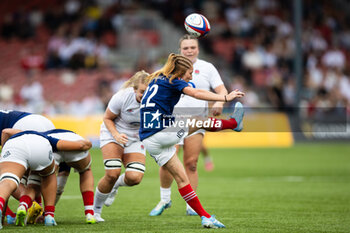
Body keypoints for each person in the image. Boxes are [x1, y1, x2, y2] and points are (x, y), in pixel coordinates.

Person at [139, 53, 245, 228]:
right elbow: (196, 92)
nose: (191, 76)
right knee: (198, 120)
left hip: (149, 139)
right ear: (181, 72)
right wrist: (225, 98)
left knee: (182, 179)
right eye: (189, 72)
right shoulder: (175, 80)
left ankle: (205, 217)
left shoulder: (158, 78)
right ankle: (233, 123)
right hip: (161, 132)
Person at [150, 34, 228, 216]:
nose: (189, 51)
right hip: (172, 120)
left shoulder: (207, 68)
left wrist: (219, 102)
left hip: (195, 121)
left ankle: (190, 205)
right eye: (186, 48)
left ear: (198, 49)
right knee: (169, 159)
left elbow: (221, 89)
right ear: (180, 50)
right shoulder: (171, 69)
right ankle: (164, 199)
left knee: (191, 163)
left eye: (192, 47)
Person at [0, 128, 92, 229]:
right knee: (49, 174)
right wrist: (89, 143)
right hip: (42, 146)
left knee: (8, 181)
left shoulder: (24, 134)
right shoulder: (46, 137)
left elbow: (6, 132)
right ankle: (49, 215)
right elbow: (81, 145)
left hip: (14, 146)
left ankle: (18, 206)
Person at [93, 71, 149, 222]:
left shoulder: (157, 101)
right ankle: (95, 211)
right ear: (135, 89)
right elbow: (107, 118)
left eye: (148, 91)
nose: (145, 95)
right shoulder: (122, 97)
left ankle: (115, 186)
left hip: (136, 137)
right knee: (112, 173)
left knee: (135, 178)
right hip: (113, 132)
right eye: (142, 92)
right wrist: (116, 135)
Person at [0, 110, 55, 224]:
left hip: (19, 129)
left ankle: (22, 209)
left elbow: (6, 132)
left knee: (8, 176)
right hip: (44, 123)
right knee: (38, 175)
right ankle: (44, 212)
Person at [47, 129, 96, 224]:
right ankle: (89, 213)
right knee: (85, 170)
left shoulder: (40, 136)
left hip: (52, 148)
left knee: (44, 177)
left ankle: (47, 214)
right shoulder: (69, 133)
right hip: (75, 144)